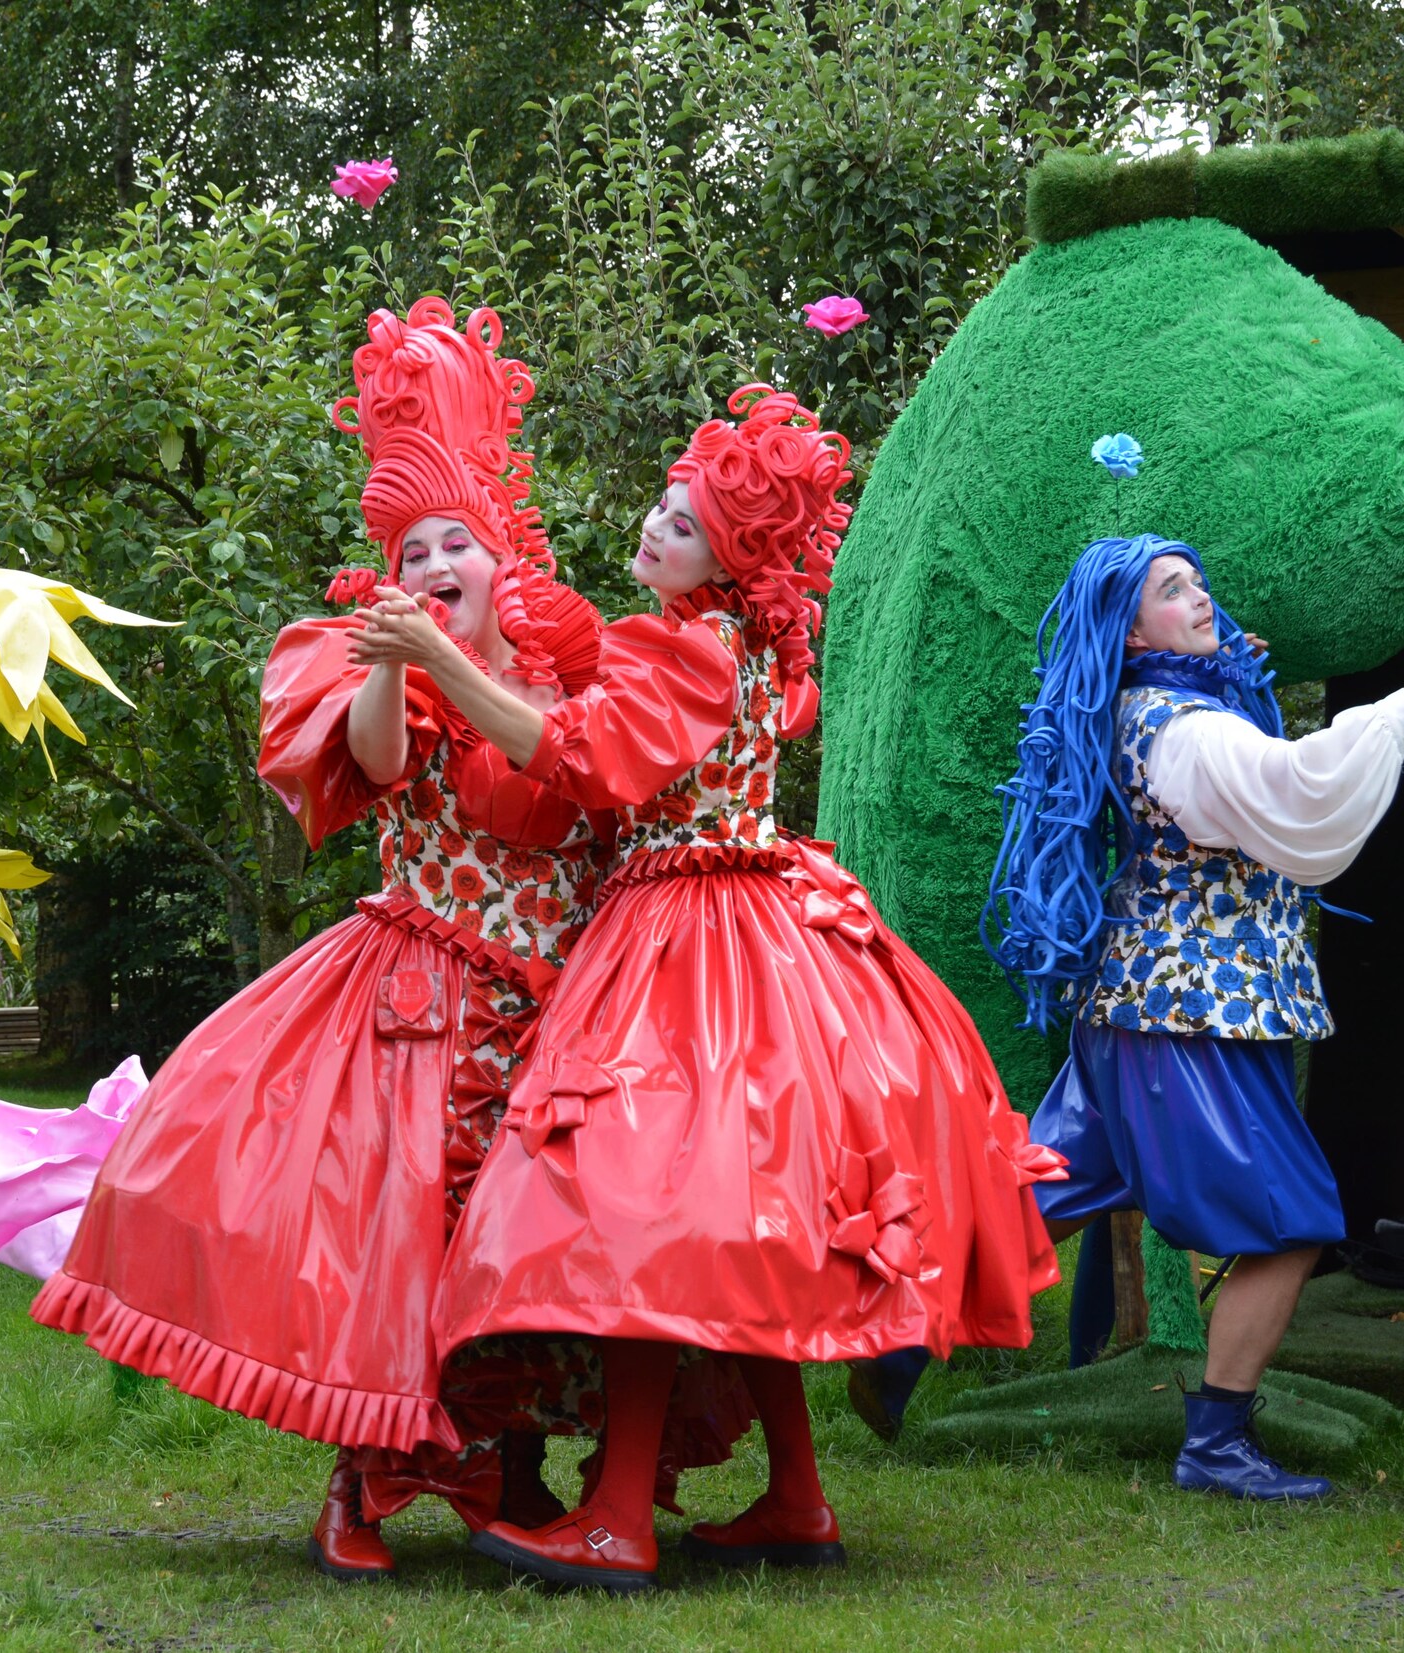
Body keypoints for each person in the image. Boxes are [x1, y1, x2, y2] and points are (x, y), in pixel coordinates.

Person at [354, 386, 1065, 1592]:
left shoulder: (681, 647)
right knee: (731, 1226)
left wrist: (433, 659)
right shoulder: (741, 644)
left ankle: (616, 1519)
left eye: (681, 526)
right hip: (761, 929)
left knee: (641, 1220)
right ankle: (795, 1496)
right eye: (662, 508)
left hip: (686, 945)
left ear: (729, 558)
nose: (652, 528)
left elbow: (577, 760)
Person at [30, 300, 610, 1581]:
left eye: (457, 543)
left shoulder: (572, 678)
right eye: (411, 552)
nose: (435, 564)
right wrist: (397, 660)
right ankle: (361, 1484)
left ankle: (512, 1470)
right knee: (401, 1241)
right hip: (425, 1007)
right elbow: (380, 761)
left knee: (532, 1242)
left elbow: (594, 788)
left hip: (562, 1011)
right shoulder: (374, 663)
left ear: (504, 558)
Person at [926, 533, 1404, 1501]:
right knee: (1291, 1224)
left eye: (1197, 581)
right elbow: (1296, 784)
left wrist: (1233, 676)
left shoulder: (1156, 707)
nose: (1200, 597)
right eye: (1173, 591)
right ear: (1130, 635)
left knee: (1037, 1192)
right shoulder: (1180, 727)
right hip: (1190, 1011)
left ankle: (884, 1329)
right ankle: (1214, 1443)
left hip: (1141, 1007)